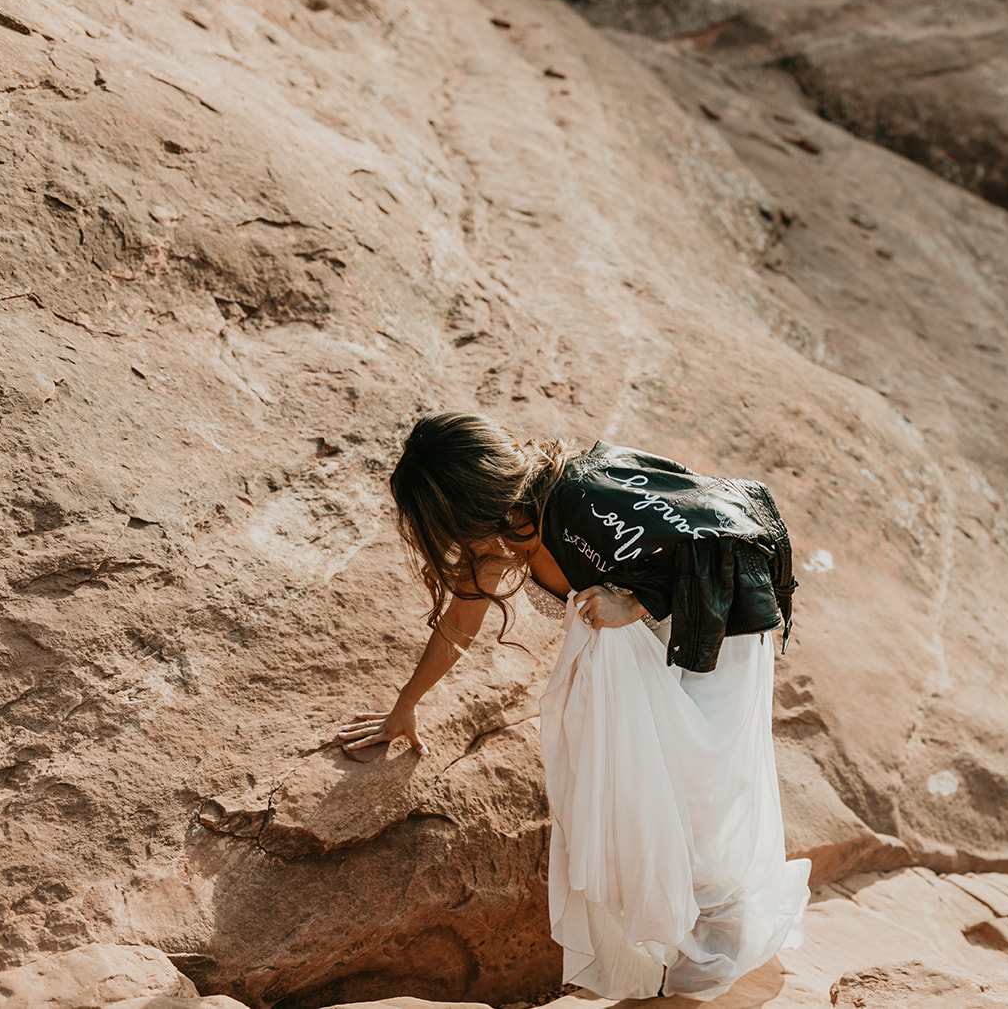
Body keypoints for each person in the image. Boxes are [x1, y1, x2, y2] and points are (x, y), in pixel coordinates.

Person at [336, 412, 810, 1001]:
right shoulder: (507, 529)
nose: (463, 548)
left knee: (697, 801)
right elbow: (460, 620)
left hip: (720, 631)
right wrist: (405, 705)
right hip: (663, 638)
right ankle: (681, 955)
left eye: (459, 529)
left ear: (492, 508)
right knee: (645, 798)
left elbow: (731, 531)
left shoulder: (583, 499)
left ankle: (716, 957)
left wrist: (640, 600)